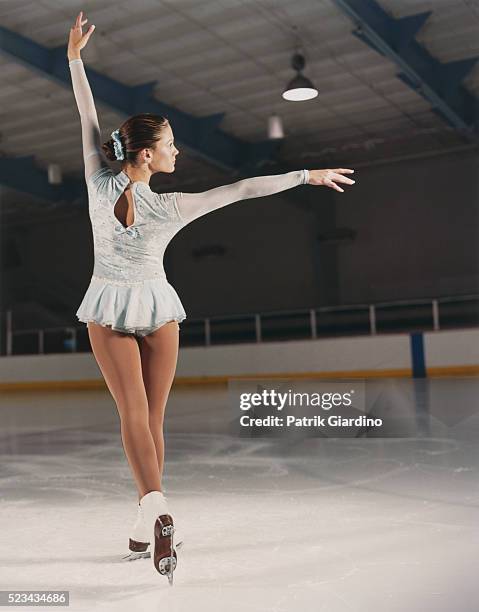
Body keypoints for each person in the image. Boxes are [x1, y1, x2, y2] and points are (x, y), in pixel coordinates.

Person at [67, 11, 355, 584]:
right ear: (145, 154)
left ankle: (152, 509)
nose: (178, 152)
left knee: (132, 415)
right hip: (158, 310)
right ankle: (149, 510)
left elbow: (87, 115)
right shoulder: (174, 207)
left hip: (107, 306)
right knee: (154, 418)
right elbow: (245, 188)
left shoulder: (97, 184)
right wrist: (305, 175)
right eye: (170, 145)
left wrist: (75, 59)